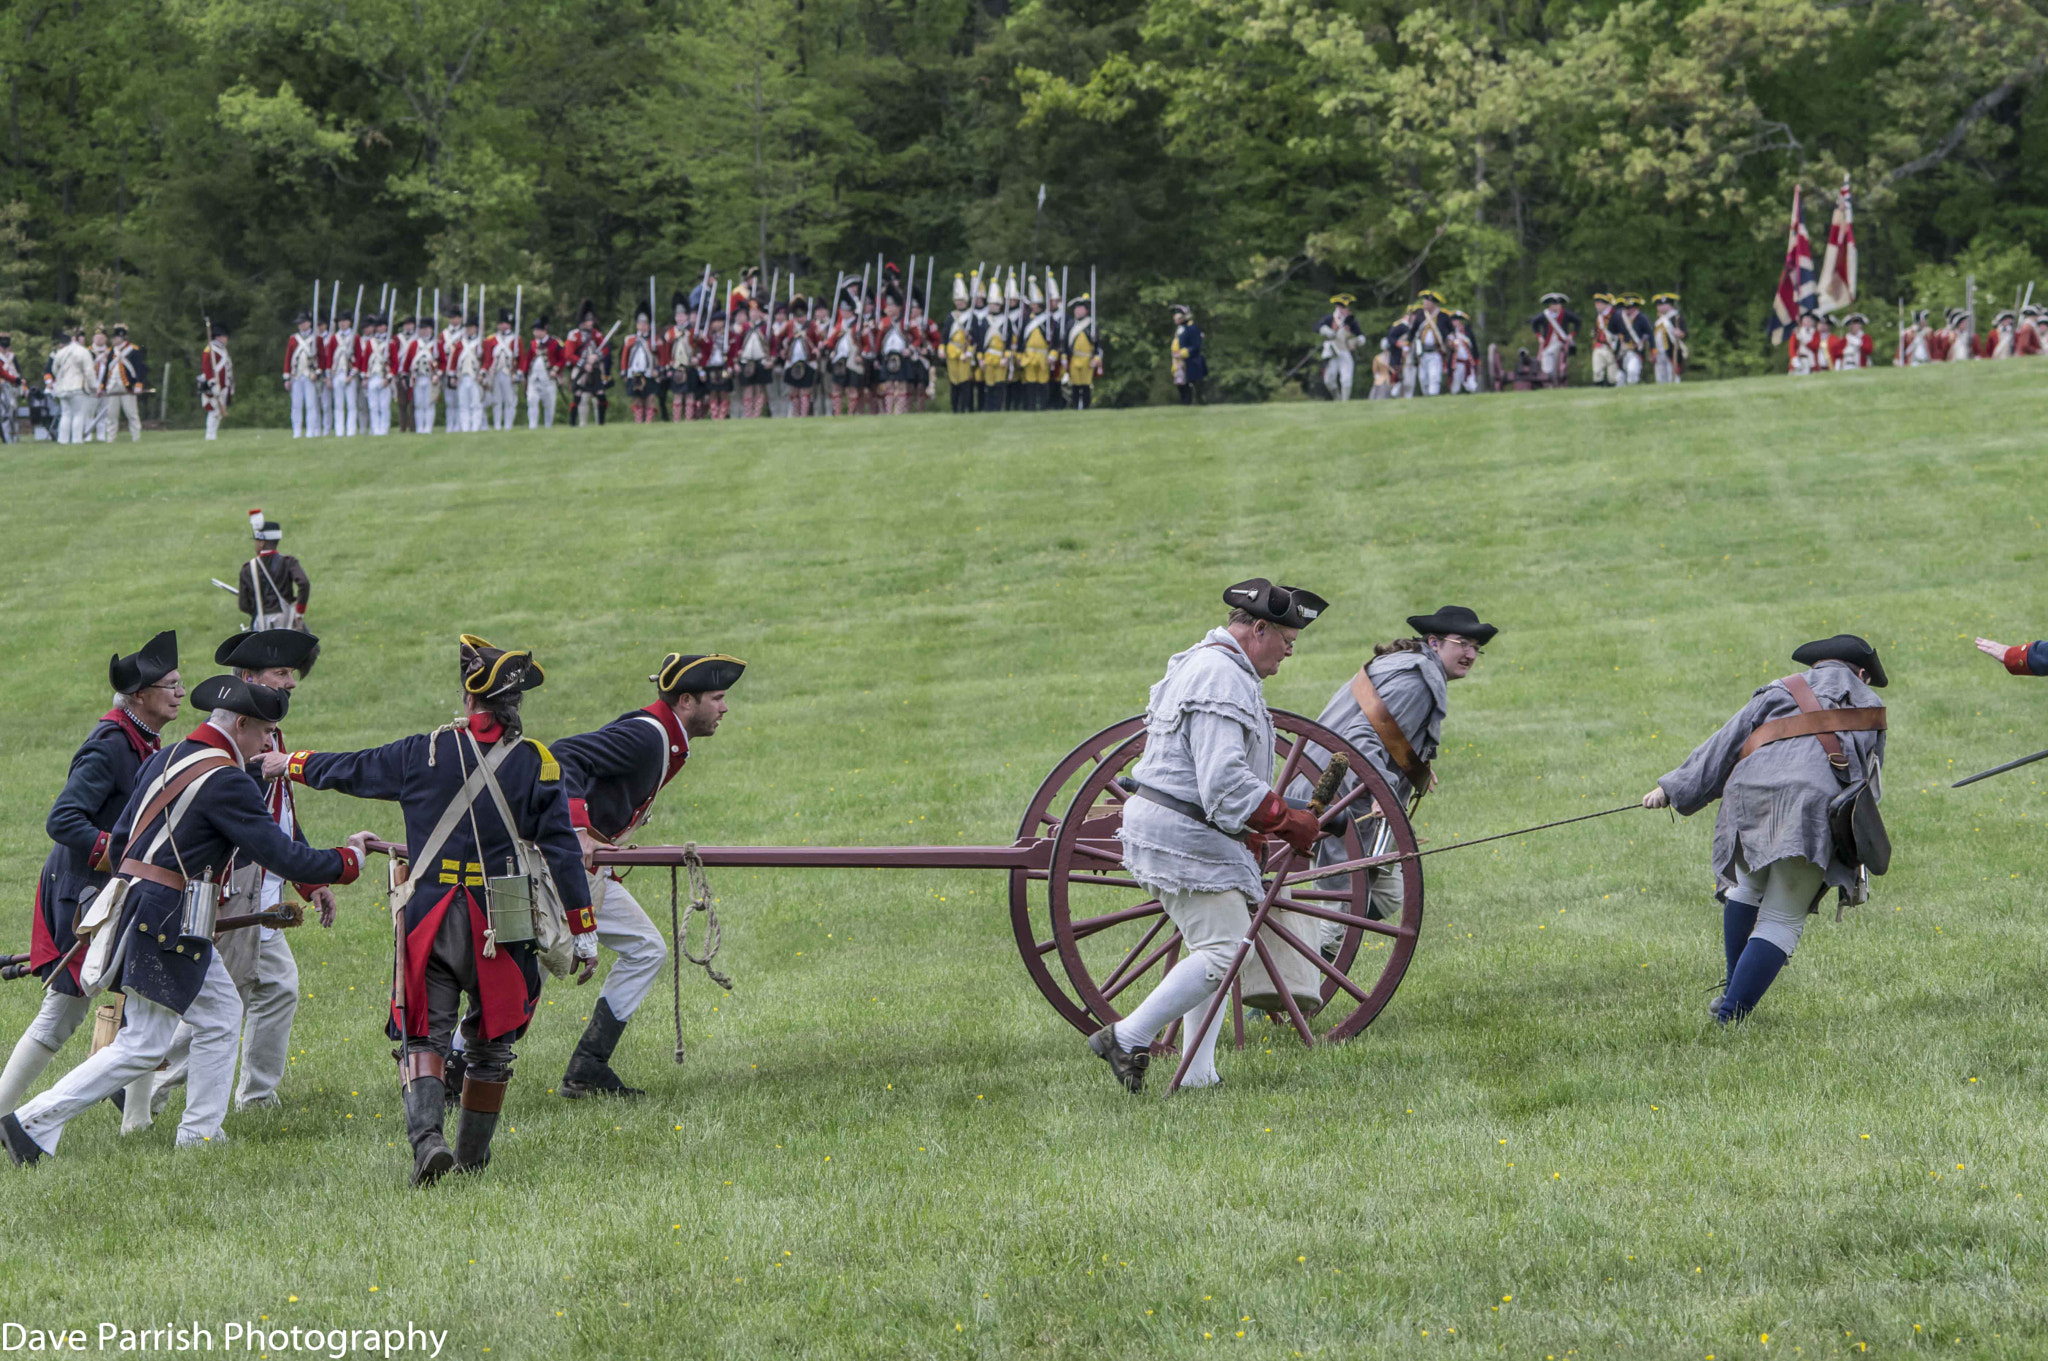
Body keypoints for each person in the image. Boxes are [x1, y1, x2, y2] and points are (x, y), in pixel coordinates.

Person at [262, 635, 595, 1184]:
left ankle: (427, 1144)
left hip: (430, 914)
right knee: (491, 1043)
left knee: (424, 1034)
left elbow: (355, 768)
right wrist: (582, 928)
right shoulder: (537, 762)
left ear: (470, 697)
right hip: (501, 918)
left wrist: (290, 764)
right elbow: (560, 847)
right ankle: (472, 1160)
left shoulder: (426, 751)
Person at [1, 675, 372, 1164]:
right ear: (240, 724)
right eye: (264, 732)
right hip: (169, 915)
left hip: (147, 906)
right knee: (142, 1043)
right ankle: (32, 1120)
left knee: (219, 1016)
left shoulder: (166, 756)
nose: (267, 744)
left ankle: (199, 1135)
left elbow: (119, 841)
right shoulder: (228, 780)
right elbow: (285, 857)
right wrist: (349, 859)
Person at [1089, 579, 1330, 1094]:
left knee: (1213, 948)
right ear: (1258, 628)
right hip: (1183, 835)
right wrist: (1286, 819)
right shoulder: (1221, 677)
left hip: (1183, 829)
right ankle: (1127, 1037)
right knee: (1224, 952)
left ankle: (1199, 1075)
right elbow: (1222, 783)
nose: (1292, 648)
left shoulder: (1209, 665)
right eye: (1286, 636)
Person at [130, 629, 329, 1128]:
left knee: (279, 986)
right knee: (224, 1000)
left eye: (291, 674)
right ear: (248, 681)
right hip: (231, 886)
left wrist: (307, 881)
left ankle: (257, 1096)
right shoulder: (235, 745)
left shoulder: (268, 732)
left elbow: (280, 819)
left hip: (265, 883)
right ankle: (149, 1089)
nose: (291, 683)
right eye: (281, 674)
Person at [1645, 635, 1889, 1024]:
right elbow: (1867, 789)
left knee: (1747, 886)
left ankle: (1732, 988)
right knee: (1782, 917)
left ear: (1818, 666)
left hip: (1750, 797)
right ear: (1860, 673)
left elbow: (1725, 742)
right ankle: (1729, 1016)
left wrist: (1670, 789)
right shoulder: (1871, 707)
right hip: (1812, 806)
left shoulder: (1779, 688)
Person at [0, 632, 180, 1117]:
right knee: (61, 1015)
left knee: (143, 1007)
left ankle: (137, 1125)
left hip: (112, 892)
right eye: (171, 684)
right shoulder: (109, 747)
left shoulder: (142, 740)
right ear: (140, 696)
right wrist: (116, 854)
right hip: (82, 895)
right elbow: (62, 819)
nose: (181, 693)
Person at [550, 652, 742, 1098]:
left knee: (646, 948)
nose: (725, 708)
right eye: (718, 698)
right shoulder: (647, 736)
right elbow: (565, 755)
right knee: (529, 971)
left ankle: (588, 1068)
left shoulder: (665, 737)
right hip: (558, 866)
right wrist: (579, 830)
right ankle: (458, 1068)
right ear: (687, 701)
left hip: (591, 870)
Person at [1296, 608, 1494, 940]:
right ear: (1433, 642)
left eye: (1476, 647)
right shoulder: (1417, 680)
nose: (1471, 654)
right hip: (1336, 801)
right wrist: (1382, 793)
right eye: (1462, 643)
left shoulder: (1405, 665)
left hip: (1324, 787)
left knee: (1388, 891)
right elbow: (1362, 736)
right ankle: (1301, 968)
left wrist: (1414, 764)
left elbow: (1385, 729)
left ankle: (1321, 937)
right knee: (1337, 912)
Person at [237, 509, 310, 632]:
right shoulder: (288, 562)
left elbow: (244, 605)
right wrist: (299, 612)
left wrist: (258, 609)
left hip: (260, 623)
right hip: (285, 619)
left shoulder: (247, 569)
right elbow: (303, 583)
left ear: (261, 543)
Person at [565, 301, 611, 427]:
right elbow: (568, 354)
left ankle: (601, 423)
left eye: (591, 320)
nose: (591, 322)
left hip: (595, 370)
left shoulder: (596, 334)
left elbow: (605, 348)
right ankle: (574, 424)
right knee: (579, 396)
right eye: (588, 320)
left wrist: (596, 356)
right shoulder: (574, 335)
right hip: (581, 370)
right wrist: (584, 363)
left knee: (601, 396)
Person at [1403, 290, 1453, 397]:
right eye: (1424, 302)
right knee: (1423, 378)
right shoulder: (1421, 315)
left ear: (1433, 303)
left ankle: (1433, 395)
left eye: (1427, 302)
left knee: (1434, 376)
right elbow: (1412, 331)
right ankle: (1427, 397)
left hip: (1436, 351)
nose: (1424, 304)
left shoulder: (1443, 316)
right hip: (1422, 352)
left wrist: (1450, 339)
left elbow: (1451, 331)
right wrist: (1407, 345)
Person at [50, 327, 93, 445]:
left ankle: (63, 440)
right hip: (78, 387)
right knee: (79, 414)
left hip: (63, 388)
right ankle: (77, 439)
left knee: (66, 414)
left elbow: (54, 370)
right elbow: (89, 372)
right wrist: (93, 386)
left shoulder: (60, 353)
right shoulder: (83, 351)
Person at [1318, 295, 1365, 401]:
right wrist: (1326, 331)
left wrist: (1357, 341)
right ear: (1337, 307)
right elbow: (1318, 327)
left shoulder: (1351, 321)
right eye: (1343, 307)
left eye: (1347, 308)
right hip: (1331, 352)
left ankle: (1345, 401)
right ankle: (1337, 398)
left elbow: (1361, 335)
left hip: (1344, 352)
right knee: (1328, 380)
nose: (1346, 310)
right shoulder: (1329, 318)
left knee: (1346, 378)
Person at [104, 324, 146, 442]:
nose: (113, 340)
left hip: (128, 387)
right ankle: (111, 438)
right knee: (111, 415)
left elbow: (140, 368)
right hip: (112, 387)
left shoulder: (133, 350)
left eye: (115, 337)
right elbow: (107, 370)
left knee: (131, 414)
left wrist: (139, 384)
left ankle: (136, 437)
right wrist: (103, 385)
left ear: (122, 338)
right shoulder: (111, 351)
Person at [620, 304, 660, 423]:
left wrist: (658, 370)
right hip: (635, 373)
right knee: (637, 398)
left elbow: (660, 357)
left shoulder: (654, 340)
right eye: (641, 324)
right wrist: (624, 372)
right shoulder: (630, 340)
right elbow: (624, 357)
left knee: (650, 397)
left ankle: (649, 421)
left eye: (645, 324)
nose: (643, 326)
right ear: (637, 325)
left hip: (649, 373)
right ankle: (638, 421)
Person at [522, 316, 564, 429]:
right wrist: (524, 374)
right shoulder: (532, 344)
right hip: (534, 378)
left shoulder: (555, 343)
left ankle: (548, 426)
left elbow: (562, 359)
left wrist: (555, 370)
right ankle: (532, 426)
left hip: (548, 378)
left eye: (537, 330)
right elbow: (527, 360)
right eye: (534, 330)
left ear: (544, 330)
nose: (535, 332)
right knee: (532, 401)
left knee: (549, 404)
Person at [1063, 294, 1103, 411]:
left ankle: (1086, 406)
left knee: (1085, 385)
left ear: (1086, 310)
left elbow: (1098, 346)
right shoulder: (1070, 325)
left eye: (1080, 309)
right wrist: (1065, 359)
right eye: (1076, 309)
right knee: (1075, 384)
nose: (1078, 311)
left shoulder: (1091, 325)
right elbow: (1065, 345)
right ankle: (1075, 406)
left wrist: (1096, 359)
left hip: (1087, 359)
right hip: (1074, 358)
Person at [945, 274, 978, 413]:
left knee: (965, 383)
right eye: (957, 300)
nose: (959, 303)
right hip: (953, 351)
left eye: (962, 300)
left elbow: (976, 338)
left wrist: (969, 352)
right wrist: (942, 348)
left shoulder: (972, 316)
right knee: (954, 382)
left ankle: (967, 408)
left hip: (965, 352)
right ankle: (955, 409)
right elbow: (945, 335)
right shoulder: (951, 316)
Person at [782, 297, 819, 417]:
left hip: (808, 362)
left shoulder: (812, 325)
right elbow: (778, 338)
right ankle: (795, 414)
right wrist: (783, 348)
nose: (800, 318)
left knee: (805, 391)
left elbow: (819, 339)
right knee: (794, 391)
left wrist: (817, 349)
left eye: (802, 315)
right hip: (792, 362)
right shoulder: (789, 325)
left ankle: (804, 415)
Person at [482, 312, 519, 430]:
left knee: (509, 400)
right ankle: (497, 425)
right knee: (496, 400)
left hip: (509, 373)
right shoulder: (491, 340)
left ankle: (508, 425)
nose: (502, 326)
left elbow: (520, 359)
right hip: (495, 373)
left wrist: (518, 373)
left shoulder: (516, 340)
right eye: (501, 323)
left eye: (505, 323)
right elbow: (487, 358)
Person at [1530, 292, 1577, 385]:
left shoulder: (1565, 314)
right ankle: (1547, 379)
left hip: (1561, 343)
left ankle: (1551, 377)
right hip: (1548, 343)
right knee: (1546, 356)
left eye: (1557, 304)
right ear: (1550, 306)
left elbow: (1577, 321)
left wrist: (1571, 335)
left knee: (1552, 354)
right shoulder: (1545, 315)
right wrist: (1539, 336)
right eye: (1553, 304)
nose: (1556, 306)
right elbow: (1534, 323)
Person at [449, 314, 485, 433]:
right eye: (467, 328)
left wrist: (483, 373)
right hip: (463, 377)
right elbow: (454, 360)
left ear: (476, 328)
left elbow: (487, 359)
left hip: (475, 377)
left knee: (476, 404)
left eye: (471, 327)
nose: (468, 330)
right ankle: (465, 428)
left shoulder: (481, 343)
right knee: (463, 404)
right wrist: (453, 375)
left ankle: (475, 427)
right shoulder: (460, 343)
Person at [199, 326, 235, 441]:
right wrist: (211, 382)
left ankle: (212, 435)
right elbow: (206, 367)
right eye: (224, 336)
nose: (226, 338)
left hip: (223, 384)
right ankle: (210, 435)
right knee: (214, 410)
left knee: (218, 412)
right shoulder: (210, 349)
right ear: (218, 337)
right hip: (214, 385)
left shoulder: (223, 349)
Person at [362, 315, 393, 436]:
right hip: (372, 377)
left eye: (382, 325)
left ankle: (384, 429)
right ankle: (375, 429)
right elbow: (365, 361)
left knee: (384, 406)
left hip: (383, 377)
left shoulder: (390, 343)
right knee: (373, 406)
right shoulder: (371, 343)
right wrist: (365, 377)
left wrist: (388, 378)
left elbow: (394, 363)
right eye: (378, 326)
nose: (380, 328)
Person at [1650, 293, 1687, 383]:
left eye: (1663, 305)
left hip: (1671, 350)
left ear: (1669, 305)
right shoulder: (1658, 320)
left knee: (1673, 375)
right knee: (1660, 376)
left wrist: (1680, 333)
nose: (1660, 307)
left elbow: (1685, 334)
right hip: (1659, 351)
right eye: (1659, 305)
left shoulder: (1677, 318)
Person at [391, 315, 418, 434]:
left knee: (414, 403)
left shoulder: (417, 339)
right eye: (406, 324)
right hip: (400, 373)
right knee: (402, 402)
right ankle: (403, 427)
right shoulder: (397, 338)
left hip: (414, 373)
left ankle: (413, 427)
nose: (408, 326)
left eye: (410, 324)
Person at [1588, 294, 1621, 386]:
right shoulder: (1598, 316)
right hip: (1598, 346)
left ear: (1606, 304)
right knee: (1597, 372)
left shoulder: (1615, 315)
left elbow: (1619, 332)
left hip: (1611, 347)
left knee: (1612, 376)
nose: (1597, 306)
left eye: (1599, 304)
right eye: (1596, 303)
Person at [1446, 311, 1478, 393]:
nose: (1456, 322)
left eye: (1458, 320)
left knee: (1471, 385)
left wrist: (1477, 360)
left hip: (1468, 362)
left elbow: (1473, 346)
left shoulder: (1467, 332)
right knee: (1455, 386)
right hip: (1456, 363)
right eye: (1454, 320)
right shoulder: (1451, 333)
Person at [0, 332, 20, 443]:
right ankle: (7, 438)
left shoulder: (12, 357)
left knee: (13, 412)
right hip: (2, 387)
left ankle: (14, 438)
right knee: (4, 414)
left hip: (10, 387)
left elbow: (17, 371)